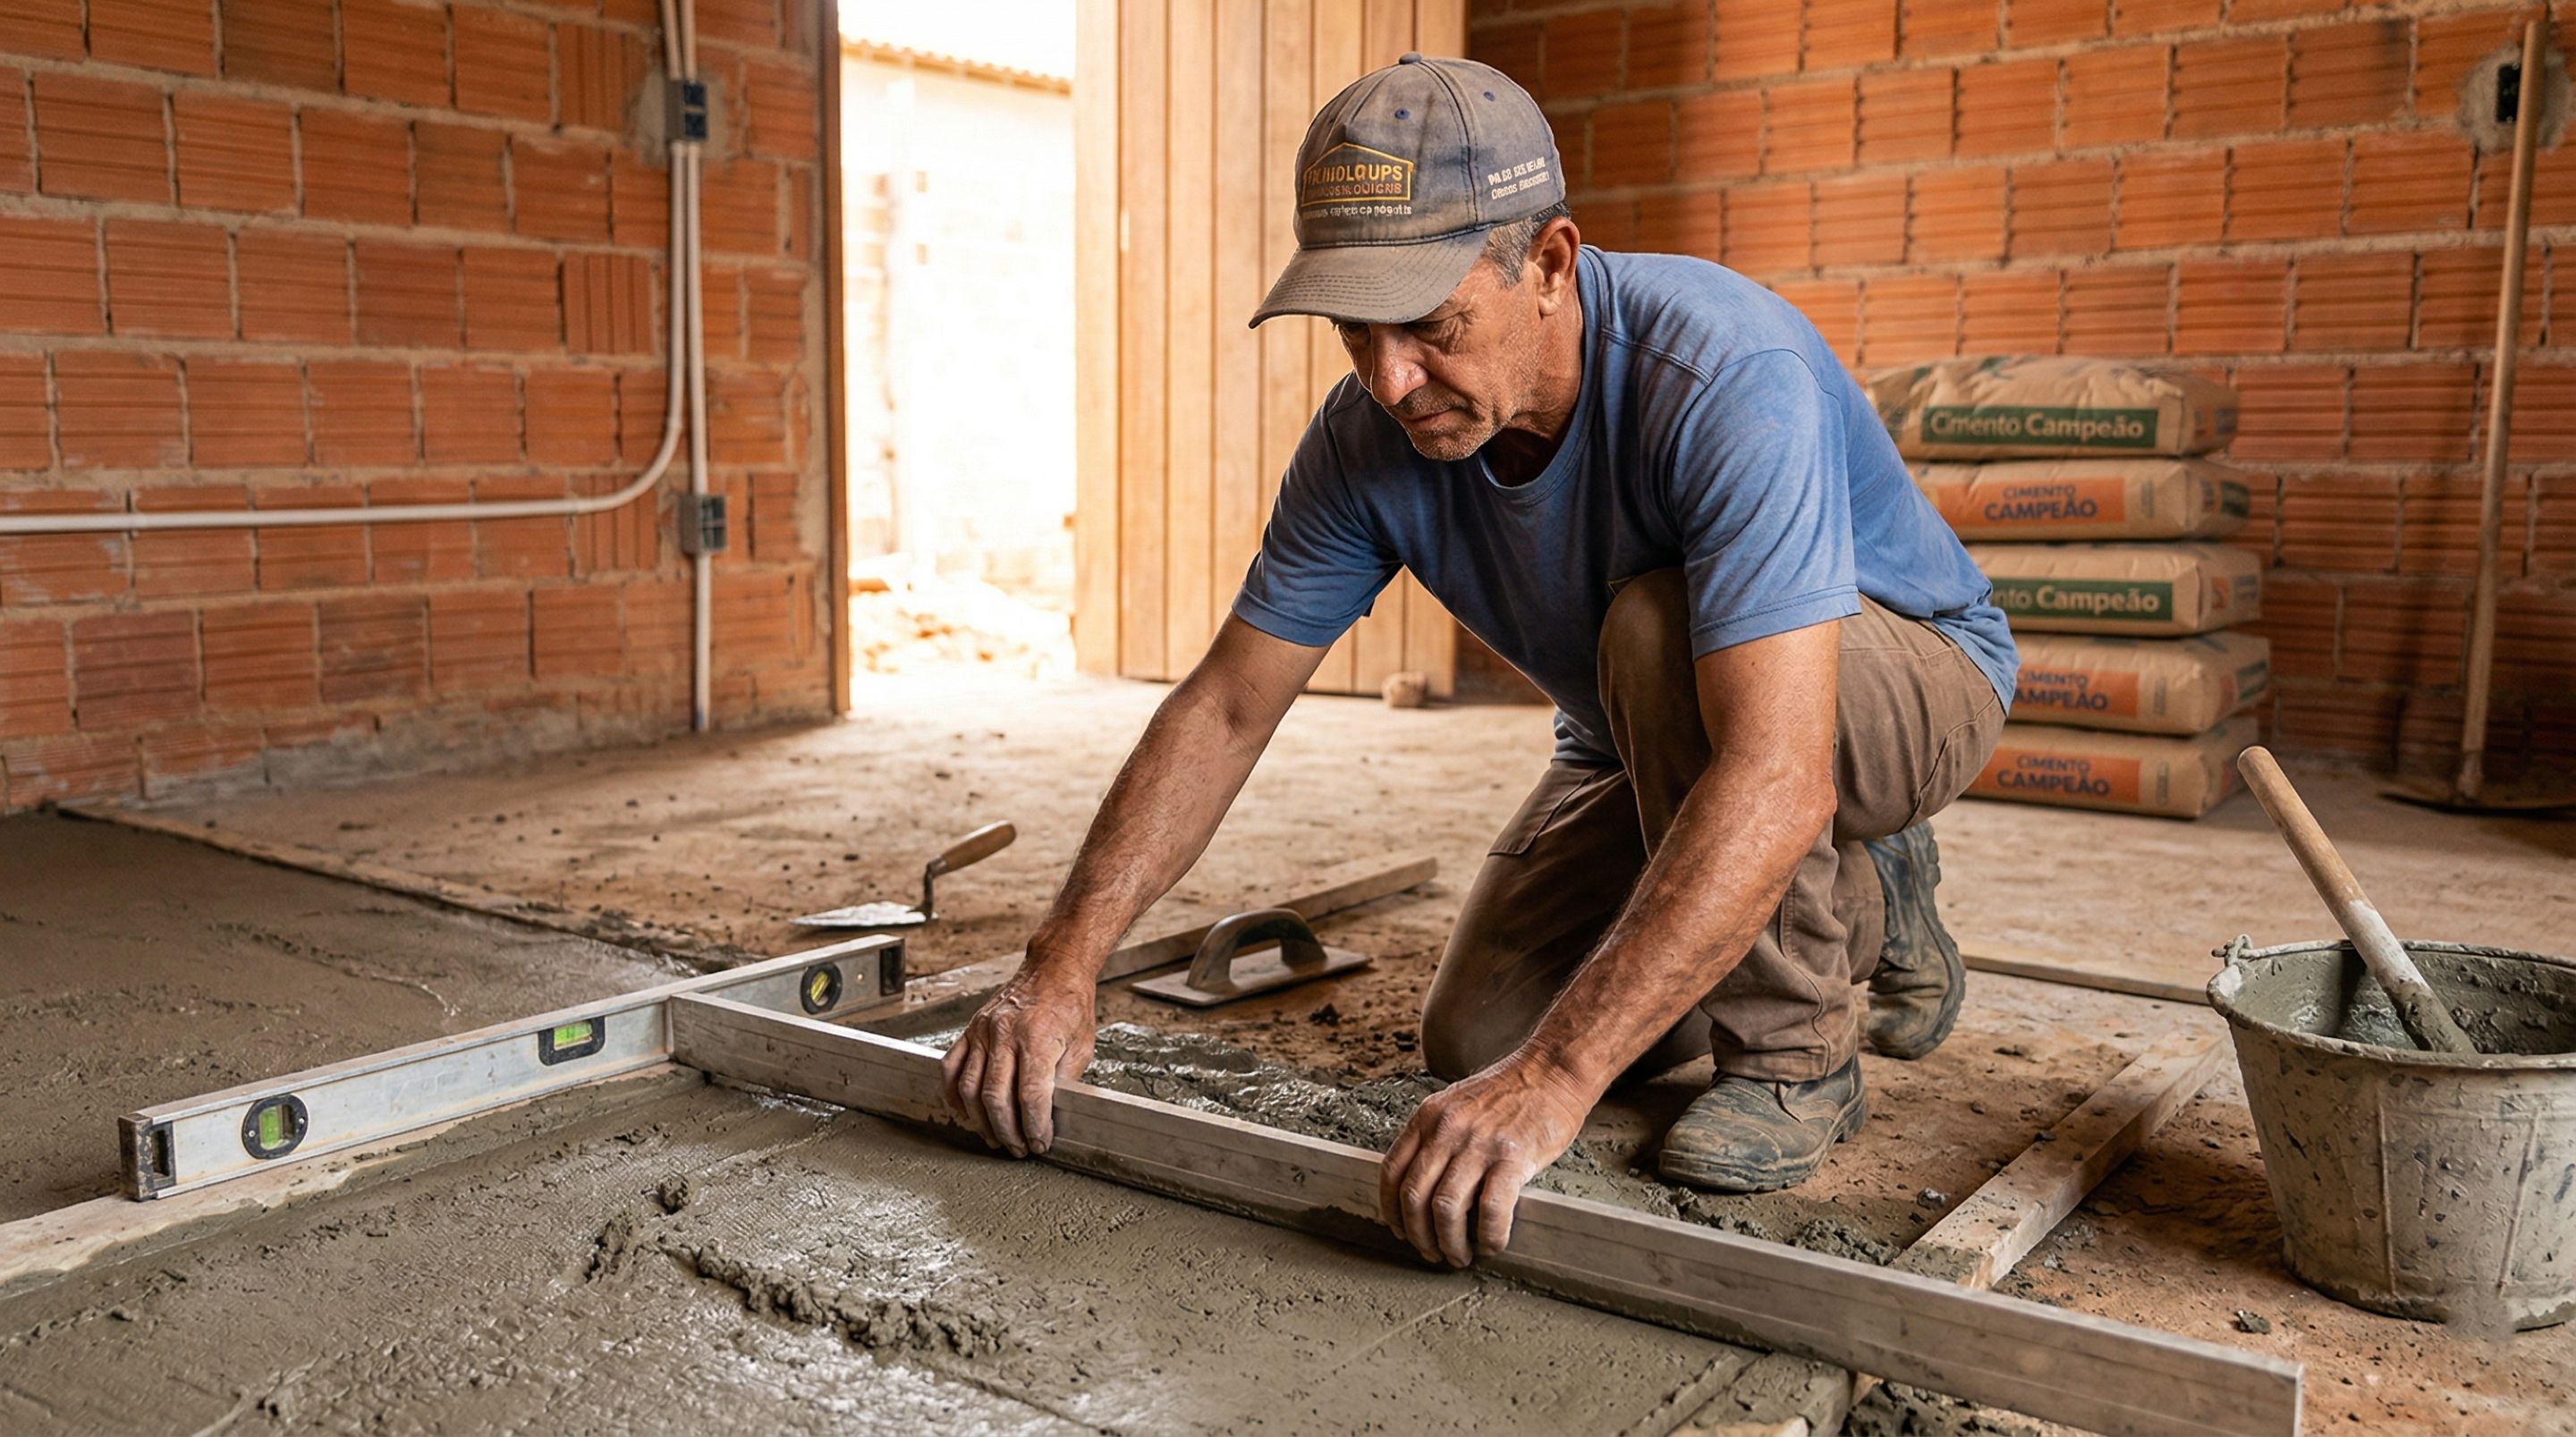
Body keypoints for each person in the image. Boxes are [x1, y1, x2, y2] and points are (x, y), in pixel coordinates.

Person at [941, 53, 2014, 1271]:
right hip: (1640, 739)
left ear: (1548, 265)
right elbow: (1229, 707)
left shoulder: (1723, 373)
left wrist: (1558, 1082)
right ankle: (1858, 895)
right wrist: (1060, 963)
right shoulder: (1365, 441)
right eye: (1356, 330)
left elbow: (1773, 769)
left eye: (1433, 326)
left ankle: (1795, 1055)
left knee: (1656, 635)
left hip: (1905, 682)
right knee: (1479, 1036)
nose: (1391, 379)